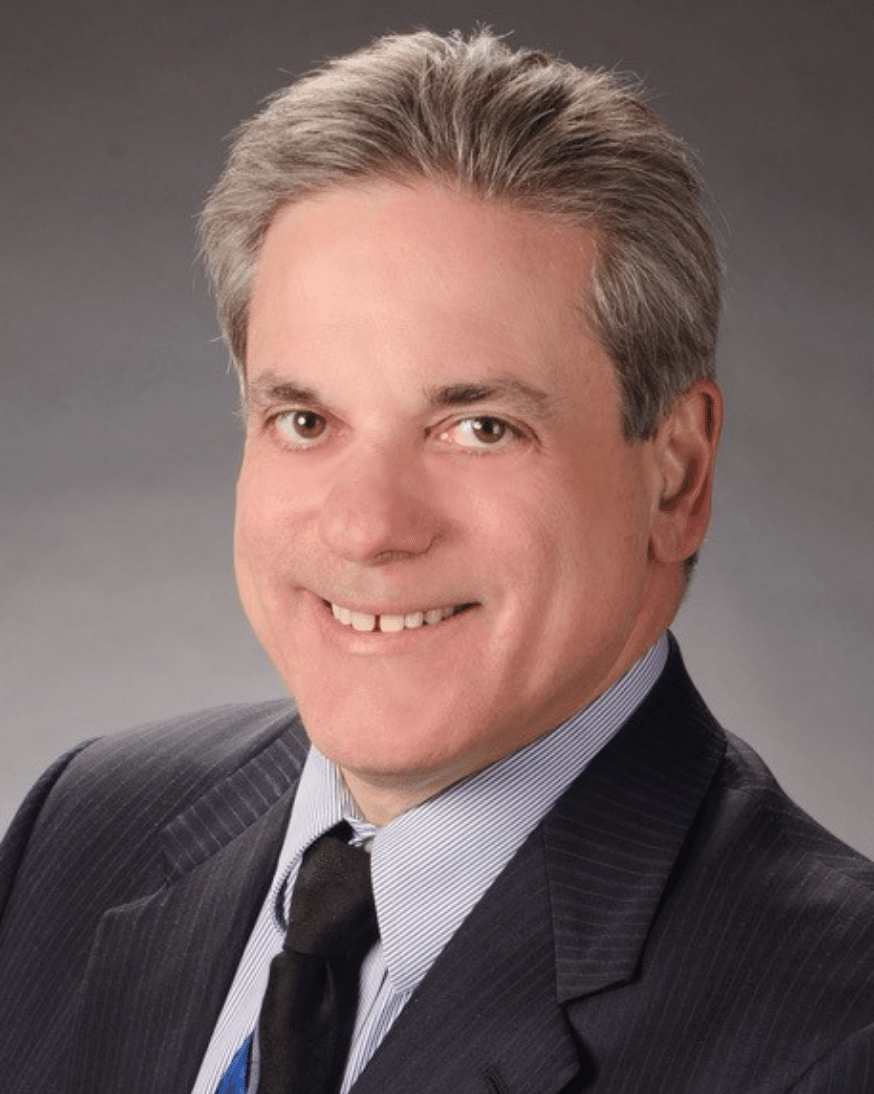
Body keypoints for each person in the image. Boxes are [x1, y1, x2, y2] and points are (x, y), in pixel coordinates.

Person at [1, 28, 872, 1094]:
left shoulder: (835, 1028)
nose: (368, 528)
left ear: (674, 474)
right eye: (306, 418)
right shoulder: (82, 829)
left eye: (480, 427)